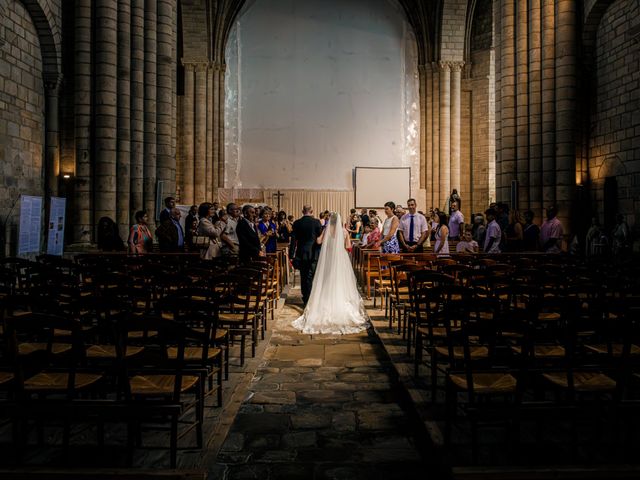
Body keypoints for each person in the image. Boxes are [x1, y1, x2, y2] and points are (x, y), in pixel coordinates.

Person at [292, 212, 369, 335]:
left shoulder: (326, 230)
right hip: (340, 259)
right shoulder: (344, 232)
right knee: (339, 280)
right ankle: (339, 301)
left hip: (327, 259)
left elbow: (318, 241)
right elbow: (348, 246)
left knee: (326, 280)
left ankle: (325, 303)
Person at [290, 205, 323, 306]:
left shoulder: (297, 223)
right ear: (312, 211)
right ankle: (312, 298)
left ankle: (306, 298)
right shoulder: (317, 222)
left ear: (302, 211)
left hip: (302, 253)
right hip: (314, 253)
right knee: (312, 276)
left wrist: (291, 254)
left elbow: (293, 241)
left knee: (304, 277)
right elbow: (319, 240)